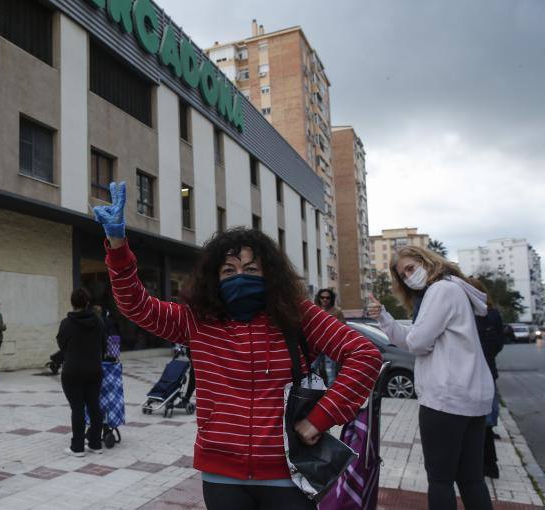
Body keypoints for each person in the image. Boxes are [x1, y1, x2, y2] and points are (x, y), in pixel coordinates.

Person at [94, 182, 382, 509]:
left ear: (269, 275)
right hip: (221, 476)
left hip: (288, 473)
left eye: (251, 269)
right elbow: (136, 305)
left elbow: (365, 354)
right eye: (228, 270)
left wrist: (321, 417)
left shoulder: (298, 316)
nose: (239, 276)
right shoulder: (197, 320)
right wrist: (117, 246)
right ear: (213, 279)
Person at [367, 246, 494, 510]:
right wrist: (384, 318)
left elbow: (417, 342)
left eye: (411, 268)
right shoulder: (453, 288)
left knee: (440, 480)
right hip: (469, 396)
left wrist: (393, 324)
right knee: (471, 479)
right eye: (403, 275)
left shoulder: (440, 290)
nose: (408, 277)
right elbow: (414, 341)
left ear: (426, 261)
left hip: (445, 398)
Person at [57, 288, 106, 457]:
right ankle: (95, 443)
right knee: (94, 406)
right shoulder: (98, 321)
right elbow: (104, 345)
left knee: (77, 408)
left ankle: (77, 447)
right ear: (87, 303)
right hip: (94, 370)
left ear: (72, 303)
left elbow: (61, 345)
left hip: (73, 371)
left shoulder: (66, 323)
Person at [467, 277, 504, 479]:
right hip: (486, 370)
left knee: (483, 421)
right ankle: (488, 464)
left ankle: (488, 464)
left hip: (482, 372)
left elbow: (496, 342)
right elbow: (499, 342)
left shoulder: (482, 315)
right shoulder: (491, 314)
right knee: (484, 420)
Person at [312, 288, 344, 383]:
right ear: (319, 298)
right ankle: (314, 390)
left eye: (327, 298)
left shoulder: (337, 312)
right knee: (312, 367)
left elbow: (343, 328)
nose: (325, 299)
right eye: (322, 297)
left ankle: (331, 394)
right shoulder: (315, 310)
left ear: (331, 299)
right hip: (317, 346)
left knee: (330, 370)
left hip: (330, 346)